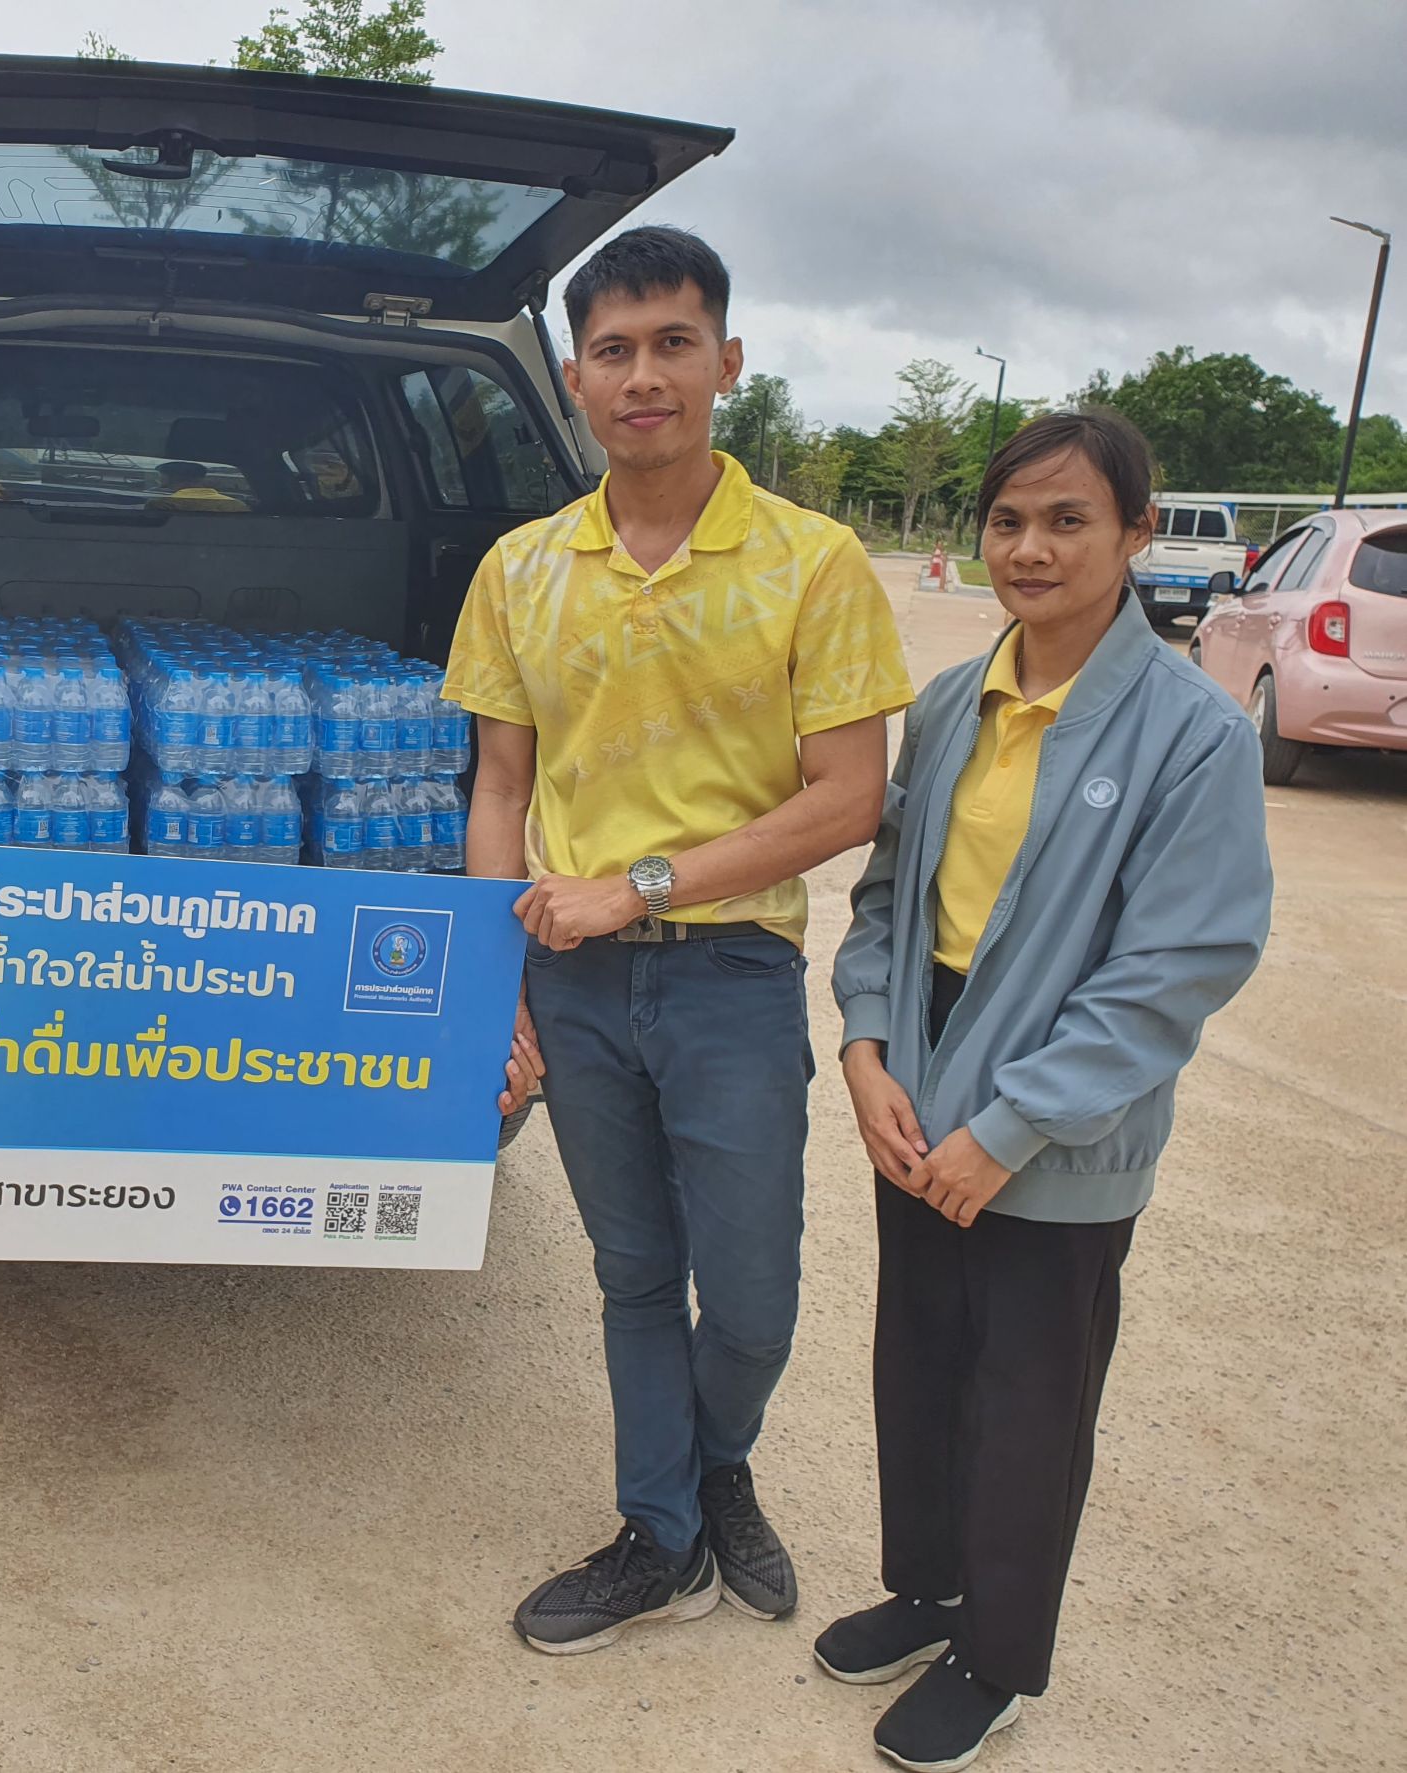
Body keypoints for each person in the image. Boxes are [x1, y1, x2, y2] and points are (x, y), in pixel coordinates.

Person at [441, 227, 914, 1652]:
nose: (644, 375)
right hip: (570, 983)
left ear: (728, 362)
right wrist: (496, 982)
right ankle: (661, 1533)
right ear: (576, 379)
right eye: (614, 350)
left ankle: (715, 1467)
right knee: (633, 1273)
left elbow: (847, 798)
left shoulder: (812, 563)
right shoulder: (522, 570)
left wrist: (638, 886)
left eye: (672, 344)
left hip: (727, 973)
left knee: (753, 1293)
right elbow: (501, 789)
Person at [823, 410, 1272, 1770]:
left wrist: (1009, 1127)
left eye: (1070, 520)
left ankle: (998, 1657)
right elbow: (890, 898)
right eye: (1009, 519)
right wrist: (864, 1048)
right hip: (924, 1065)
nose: (1031, 547)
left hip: (1059, 1112)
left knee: (1028, 1389)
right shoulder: (955, 702)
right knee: (921, 1358)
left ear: (1138, 535)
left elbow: (1172, 968)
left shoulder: (1194, 733)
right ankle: (929, 1588)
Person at [146, 459, 250, 511]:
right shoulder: (236, 505)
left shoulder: (162, 505)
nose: (157, 479)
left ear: (169, 478)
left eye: (160, 476)